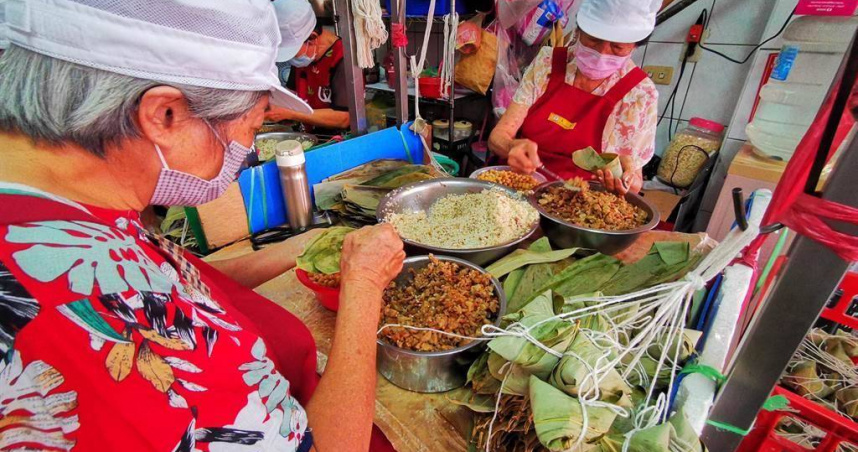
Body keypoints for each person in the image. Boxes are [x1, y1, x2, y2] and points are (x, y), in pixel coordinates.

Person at [0, 1, 404, 451]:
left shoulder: (55, 207)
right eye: (250, 130)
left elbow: (176, 280)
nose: (244, 152)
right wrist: (364, 286)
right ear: (165, 116)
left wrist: (300, 248)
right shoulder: (100, 317)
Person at [489, 0, 661, 195]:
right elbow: (497, 137)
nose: (601, 53)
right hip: (520, 188)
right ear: (579, 30)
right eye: (593, 40)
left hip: (580, 202)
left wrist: (625, 180)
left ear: (634, 47)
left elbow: (634, 181)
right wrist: (510, 146)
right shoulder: (547, 62)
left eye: (617, 47)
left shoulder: (640, 95)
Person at [266, 3, 350, 133]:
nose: (291, 59)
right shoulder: (302, 60)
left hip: (336, 142)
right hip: (306, 133)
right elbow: (291, 95)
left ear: (313, 38)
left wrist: (289, 113)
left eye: (293, 52)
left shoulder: (342, 58)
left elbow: (344, 118)